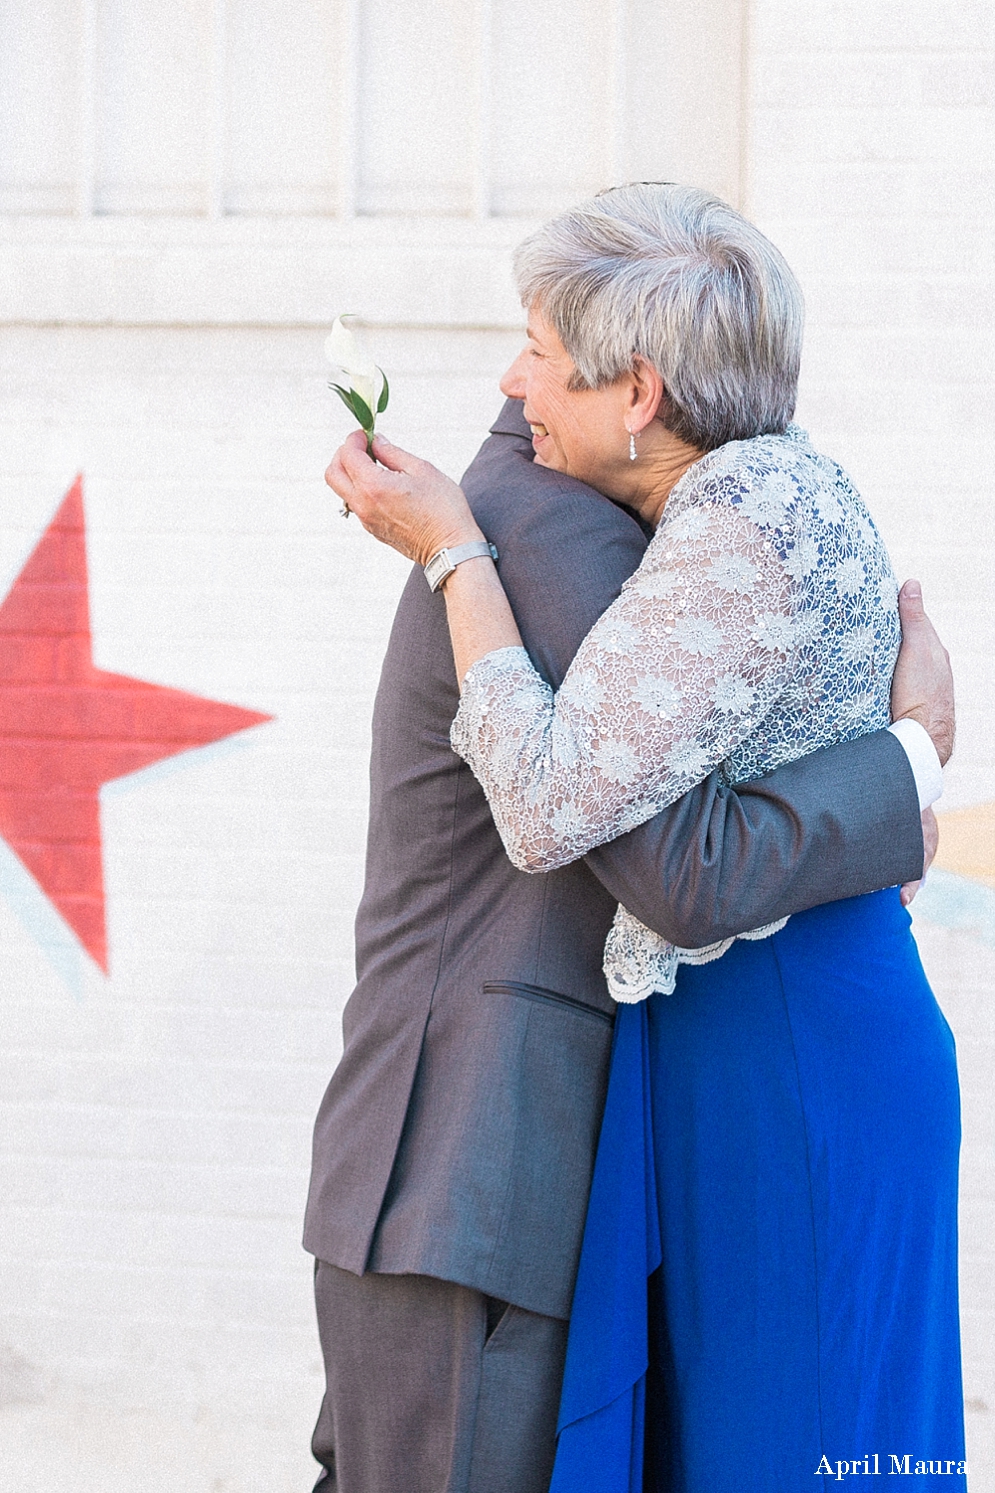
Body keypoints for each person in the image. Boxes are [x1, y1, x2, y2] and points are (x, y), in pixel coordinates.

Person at [313, 188, 957, 1493]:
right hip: (652, 1086)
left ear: (640, 391)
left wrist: (453, 557)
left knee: (811, 1448)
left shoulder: (702, 525)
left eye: (539, 348)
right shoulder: (680, 501)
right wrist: (904, 756)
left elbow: (631, 845)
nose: (508, 377)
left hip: (782, 1053)